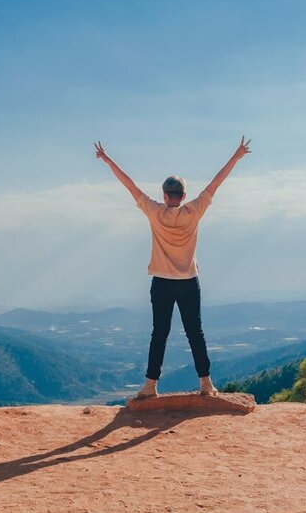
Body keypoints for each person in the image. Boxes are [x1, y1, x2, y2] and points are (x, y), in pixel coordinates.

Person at [94, 136, 252, 398]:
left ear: (165, 196)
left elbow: (130, 185)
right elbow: (216, 183)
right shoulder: (194, 211)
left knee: (159, 334)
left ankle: (150, 385)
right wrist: (236, 156)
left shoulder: (154, 212)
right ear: (184, 196)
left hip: (162, 282)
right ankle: (206, 383)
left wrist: (108, 160)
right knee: (195, 333)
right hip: (189, 281)